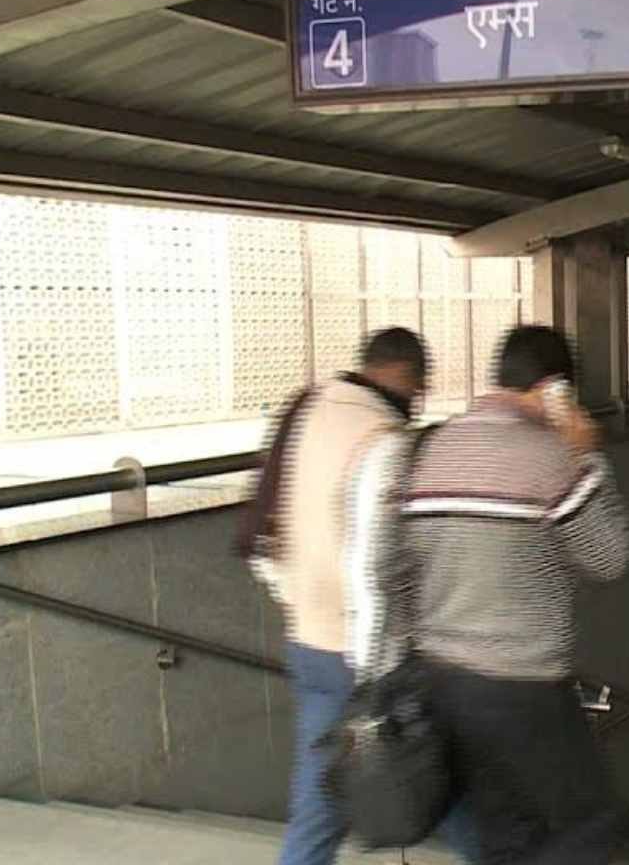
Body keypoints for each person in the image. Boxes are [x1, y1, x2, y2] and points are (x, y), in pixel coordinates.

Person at [363, 325, 629, 865]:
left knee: (505, 834)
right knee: (590, 823)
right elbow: (609, 558)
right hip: (521, 683)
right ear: (556, 388)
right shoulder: (552, 458)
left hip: (440, 679)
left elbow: (388, 567)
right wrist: (587, 456)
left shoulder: (428, 448)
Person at [240, 327, 430, 865]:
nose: (418, 401)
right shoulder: (384, 437)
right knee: (441, 781)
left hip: (309, 642)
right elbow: (375, 565)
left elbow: (261, 527)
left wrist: (298, 601)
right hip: (366, 658)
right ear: (409, 377)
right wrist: (374, 669)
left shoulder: (305, 410)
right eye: (419, 388)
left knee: (319, 808)